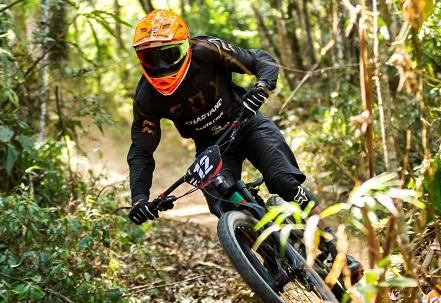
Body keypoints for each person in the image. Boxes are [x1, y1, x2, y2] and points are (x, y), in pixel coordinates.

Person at [126, 9, 362, 281]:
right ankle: (271, 256)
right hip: (211, 147)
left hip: (247, 123)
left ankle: (335, 247)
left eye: (168, 55)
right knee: (223, 206)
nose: (162, 66)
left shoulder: (207, 50)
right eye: (150, 58)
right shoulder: (146, 97)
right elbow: (142, 151)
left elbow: (261, 60)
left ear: (185, 46)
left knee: (284, 182)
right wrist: (140, 199)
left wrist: (261, 88)